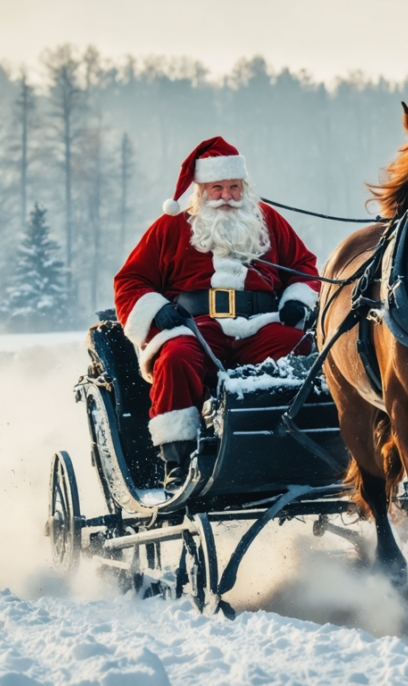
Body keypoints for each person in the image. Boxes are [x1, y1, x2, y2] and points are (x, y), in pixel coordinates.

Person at [115, 137, 319, 491]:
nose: (227, 196)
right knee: (175, 359)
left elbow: (303, 265)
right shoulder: (171, 226)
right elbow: (130, 280)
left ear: (244, 187)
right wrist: (157, 310)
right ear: (202, 190)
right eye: (218, 188)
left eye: (234, 187)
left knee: (302, 349)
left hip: (260, 327)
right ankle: (178, 463)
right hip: (196, 329)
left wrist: (297, 299)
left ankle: (300, 449)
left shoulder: (268, 221)